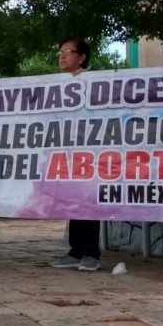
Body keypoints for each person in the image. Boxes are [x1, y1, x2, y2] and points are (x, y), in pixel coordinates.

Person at [50, 37, 102, 272]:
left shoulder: (96, 82)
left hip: (91, 151)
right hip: (67, 152)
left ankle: (91, 252)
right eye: (60, 51)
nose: (62, 56)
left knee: (88, 200)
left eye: (68, 52)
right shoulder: (55, 83)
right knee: (72, 200)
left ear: (81, 57)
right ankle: (76, 250)